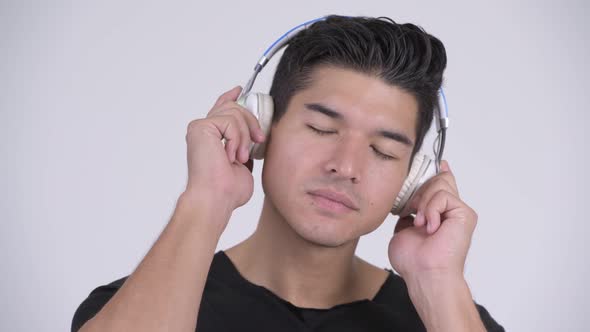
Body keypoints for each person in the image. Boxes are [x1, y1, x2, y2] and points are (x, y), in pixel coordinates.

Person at [72, 15, 504, 331]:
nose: (346, 166)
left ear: (411, 180)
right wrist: (206, 202)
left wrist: (437, 281)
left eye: (383, 150)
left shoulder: (453, 319)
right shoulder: (129, 306)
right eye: (321, 128)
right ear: (262, 127)